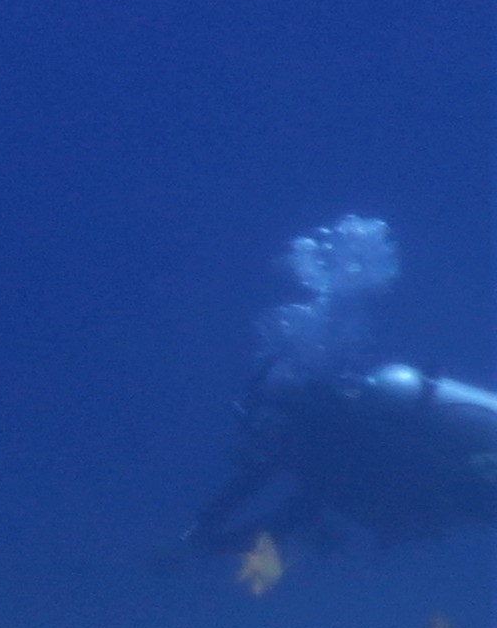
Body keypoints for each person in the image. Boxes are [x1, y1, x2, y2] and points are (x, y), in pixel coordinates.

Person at [190, 217, 497, 558]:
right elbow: (257, 486)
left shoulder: (324, 449)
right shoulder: (329, 437)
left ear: (284, 415)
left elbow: (286, 517)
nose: (263, 440)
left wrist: (204, 543)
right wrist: (201, 532)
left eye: (264, 426)